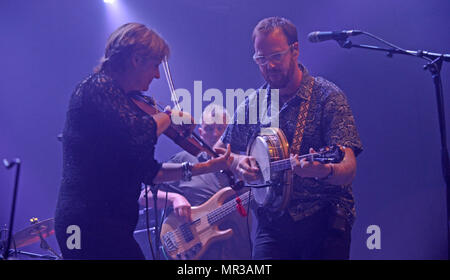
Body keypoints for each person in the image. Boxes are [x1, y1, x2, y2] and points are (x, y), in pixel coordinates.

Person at [54, 23, 233, 260]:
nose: (158, 74)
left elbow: (151, 172)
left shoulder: (124, 102)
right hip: (87, 221)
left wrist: (206, 167)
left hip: (112, 224)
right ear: (136, 60)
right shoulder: (96, 87)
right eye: (155, 65)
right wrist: (168, 117)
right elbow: (137, 132)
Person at [214, 17, 363, 260]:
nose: (269, 66)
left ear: (295, 51)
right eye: (261, 59)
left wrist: (322, 170)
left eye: (276, 56)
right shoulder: (255, 103)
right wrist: (237, 162)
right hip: (272, 224)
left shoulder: (328, 97)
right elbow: (219, 150)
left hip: (324, 217)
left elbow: (348, 168)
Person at [138, 104, 251, 260]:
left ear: (229, 132)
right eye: (210, 129)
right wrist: (174, 198)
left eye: (221, 128)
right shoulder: (185, 161)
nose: (216, 134)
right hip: (198, 253)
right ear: (200, 132)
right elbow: (145, 196)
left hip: (238, 253)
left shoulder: (243, 165)